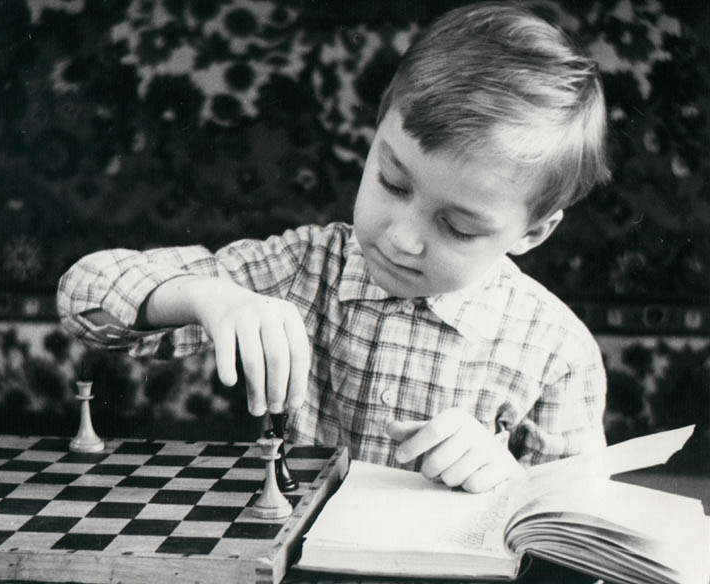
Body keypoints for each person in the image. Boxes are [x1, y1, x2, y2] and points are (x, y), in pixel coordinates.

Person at [58, 1, 610, 493]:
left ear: (533, 233)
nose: (401, 238)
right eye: (393, 183)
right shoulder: (298, 270)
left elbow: (577, 532)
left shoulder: (558, 353)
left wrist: (510, 485)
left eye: (458, 227)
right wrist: (205, 297)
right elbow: (82, 296)